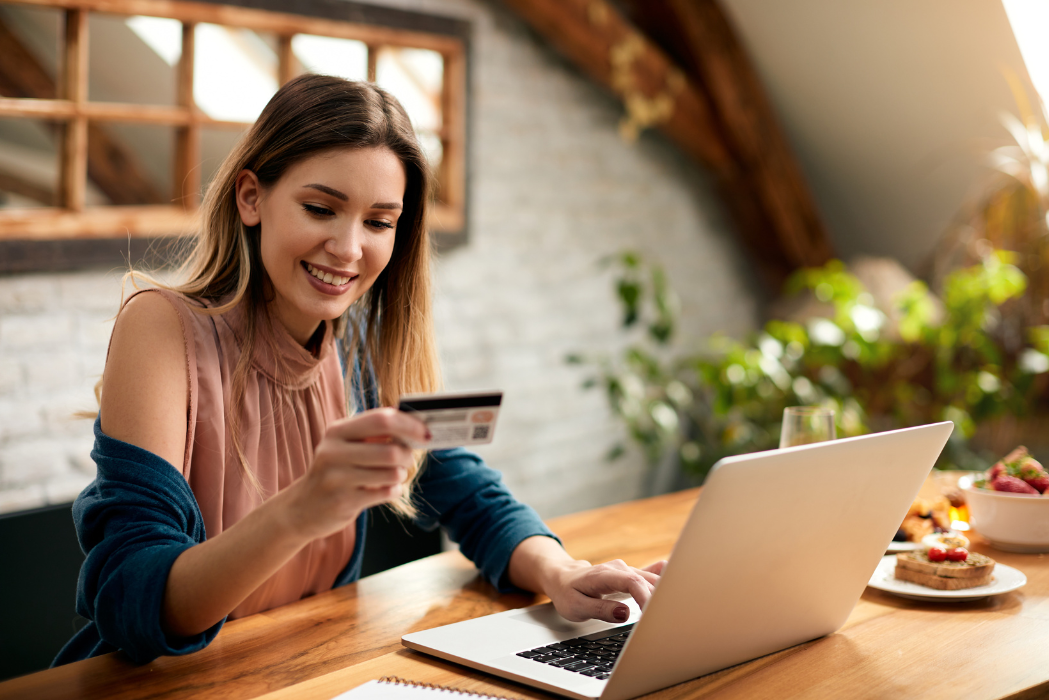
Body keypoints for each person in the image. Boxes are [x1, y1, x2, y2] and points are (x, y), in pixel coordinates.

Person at [54, 75, 663, 666]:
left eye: (378, 222)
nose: (348, 249)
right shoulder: (162, 329)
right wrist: (300, 510)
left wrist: (564, 574)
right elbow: (130, 600)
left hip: (288, 672)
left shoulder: (360, 344)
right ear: (251, 197)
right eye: (321, 208)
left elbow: (470, 493)